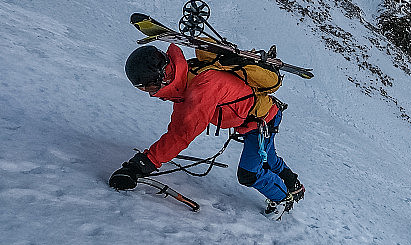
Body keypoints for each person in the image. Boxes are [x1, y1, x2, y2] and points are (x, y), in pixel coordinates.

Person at [109, 44, 304, 214]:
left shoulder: (202, 88)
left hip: (261, 122)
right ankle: (293, 184)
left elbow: (181, 134)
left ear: (162, 76)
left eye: (149, 87)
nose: (151, 93)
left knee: (249, 173)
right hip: (261, 115)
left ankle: (282, 199)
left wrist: (139, 167)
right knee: (268, 158)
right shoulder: (187, 78)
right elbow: (179, 128)